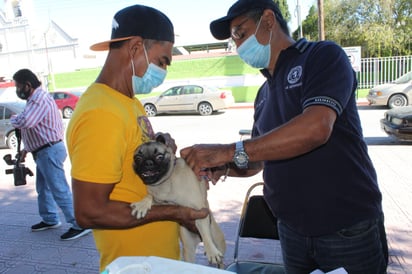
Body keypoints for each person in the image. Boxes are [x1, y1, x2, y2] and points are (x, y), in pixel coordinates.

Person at [180, 0, 388, 273]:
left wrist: (226, 150)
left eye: (240, 34)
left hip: (345, 228)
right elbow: (255, 160)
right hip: (291, 231)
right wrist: (224, 166)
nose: (239, 46)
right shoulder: (264, 94)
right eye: (235, 40)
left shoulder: (322, 56)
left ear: (268, 20)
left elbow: (316, 128)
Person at [65, 5, 208, 272]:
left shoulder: (129, 103)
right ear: (134, 48)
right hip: (134, 265)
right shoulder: (101, 112)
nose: (164, 70)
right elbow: (89, 211)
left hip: (155, 262)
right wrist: (176, 213)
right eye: (162, 61)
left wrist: (165, 152)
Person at [10, 68, 91, 241]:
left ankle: (80, 224)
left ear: (28, 85)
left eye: (18, 86)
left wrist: (13, 119)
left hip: (49, 151)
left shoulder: (38, 100)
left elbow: (28, 121)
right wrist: (25, 149)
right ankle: (50, 218)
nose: (17, 90)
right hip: (44, 151)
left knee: (59, 189)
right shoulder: (35, 99)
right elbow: (36, 128)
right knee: (44, 188)